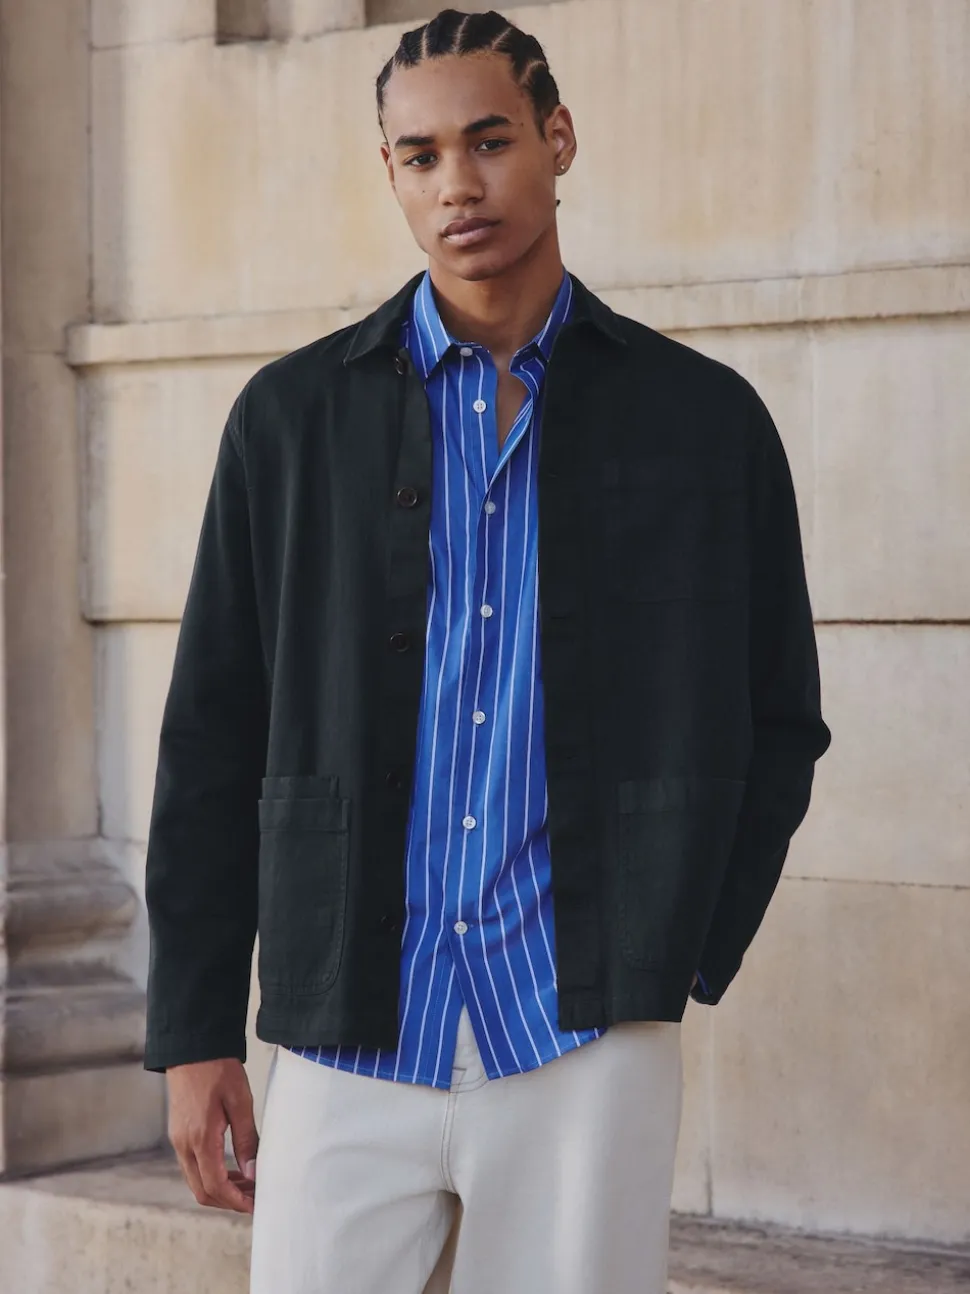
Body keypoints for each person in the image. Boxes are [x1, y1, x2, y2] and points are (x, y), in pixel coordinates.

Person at [144, 9, 831, 1293]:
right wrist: (193, 1029)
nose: (457, 183)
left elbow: (779, 715)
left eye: (490, 140)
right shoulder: (289, 422)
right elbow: (211, 734)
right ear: (390, 174)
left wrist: (684, 940)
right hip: (350, 1025)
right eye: (419, 156)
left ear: (557, 139)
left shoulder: (703, 422)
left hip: (583, 1029)